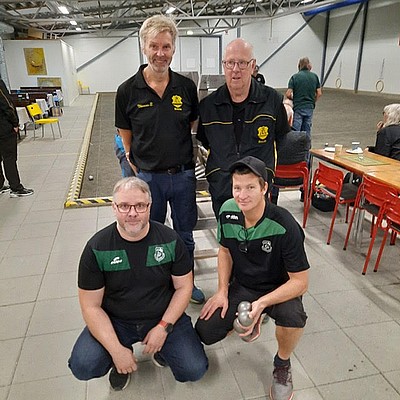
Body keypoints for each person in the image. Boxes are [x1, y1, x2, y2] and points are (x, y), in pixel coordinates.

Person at [68, 177, 208, 391]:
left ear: (149, 207)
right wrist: (116, 351)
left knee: (194, 369)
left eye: (140, 205)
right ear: (114, 207)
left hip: (161, 315)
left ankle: (162, 349)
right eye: (124, 206)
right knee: (83, 365)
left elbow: (184, 288)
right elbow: (90, 306)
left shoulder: (170, 240)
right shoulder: (97, 248)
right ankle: (120, 362)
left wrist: (163, 327)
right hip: (116, 320)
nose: (132, 213)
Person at [195, 156, 309, 400]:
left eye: (250, 187)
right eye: (237, 187)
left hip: (279, 288)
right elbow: (225, 251)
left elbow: (300, 282)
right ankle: (252, 319)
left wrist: (262, 304)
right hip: (245, 285)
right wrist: (222, 291)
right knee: (206, 331)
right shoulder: (227, 211)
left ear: (264, 188)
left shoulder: (284, 224)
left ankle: (282, 364)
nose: (242, 195)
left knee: (293, 318)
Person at [115, 15, 205, 304]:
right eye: (154, 46)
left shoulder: (186, 87)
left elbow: (191, 125)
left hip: (182, 176)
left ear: (173, 48)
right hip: (149, 178)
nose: (160, 53)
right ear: (144, 47)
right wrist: (138, 165)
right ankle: (156, 287)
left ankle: (186, 284)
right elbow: (126, 136)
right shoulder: (127, 91)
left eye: (166, 46)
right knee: (147, 234)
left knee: (185, 235)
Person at [196, 38, 290, 218]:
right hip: (222, 189)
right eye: (230, 63)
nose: (235, 69)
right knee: (227, 234)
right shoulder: (208, 106)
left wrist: (266, 174)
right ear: (224, 66)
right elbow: (207, 143)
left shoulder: (272, 100)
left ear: (252, 66)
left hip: (257, 192)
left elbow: (281, 139)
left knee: (257, 233)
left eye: (242, 63)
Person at [270, 103, 311, 204]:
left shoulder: (271, 138)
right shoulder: (303, 137)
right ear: (291, 119)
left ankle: (274, 197)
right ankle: (305, 193)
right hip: (299, 178)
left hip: (275, 178)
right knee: (308, 157)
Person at [0, 78, 34, 197]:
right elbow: (7, 105)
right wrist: (15, 123)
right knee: (9, 158)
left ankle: (0, 185)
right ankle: (16, 188)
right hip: (4, 128)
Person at [285, 57, 322, 137]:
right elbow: (319, 93)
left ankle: (295, 144)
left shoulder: (295, 77)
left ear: (299, 65)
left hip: (298, 106)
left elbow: (288, 94)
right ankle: (306, 144)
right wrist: (313, 101)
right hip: (309, 106)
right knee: (307, 129)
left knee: (296, 129)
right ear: (309, 65)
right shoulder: (314, 76)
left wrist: (293, 99)